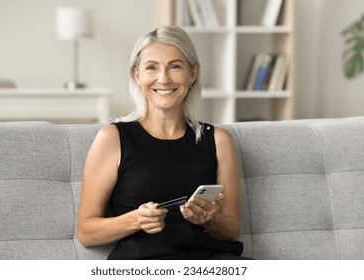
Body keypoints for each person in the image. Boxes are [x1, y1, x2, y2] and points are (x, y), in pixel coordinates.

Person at [77, 25, 245, 260]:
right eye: (151, 68)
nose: (163, 79)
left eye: (175, 66)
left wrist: (212, 221)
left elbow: (232, 231)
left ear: (193, 74)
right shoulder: (113, 138)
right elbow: (86, 232)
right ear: (137, 75)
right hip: (144, 263)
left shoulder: (218, 140)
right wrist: (136, 220)